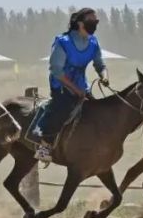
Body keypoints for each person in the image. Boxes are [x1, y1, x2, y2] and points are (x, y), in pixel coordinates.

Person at [33, 8, 109, 164]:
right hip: (61, 86)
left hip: (82, 86)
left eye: (96, 22)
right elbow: (56, 71)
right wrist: (76, 90)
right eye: (92, 21)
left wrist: (104, 76)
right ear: (81, 23)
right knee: (61, 110)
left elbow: (100, 64)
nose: (95, 24)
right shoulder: (63, 42)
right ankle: (44, 148)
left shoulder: (93, 42)